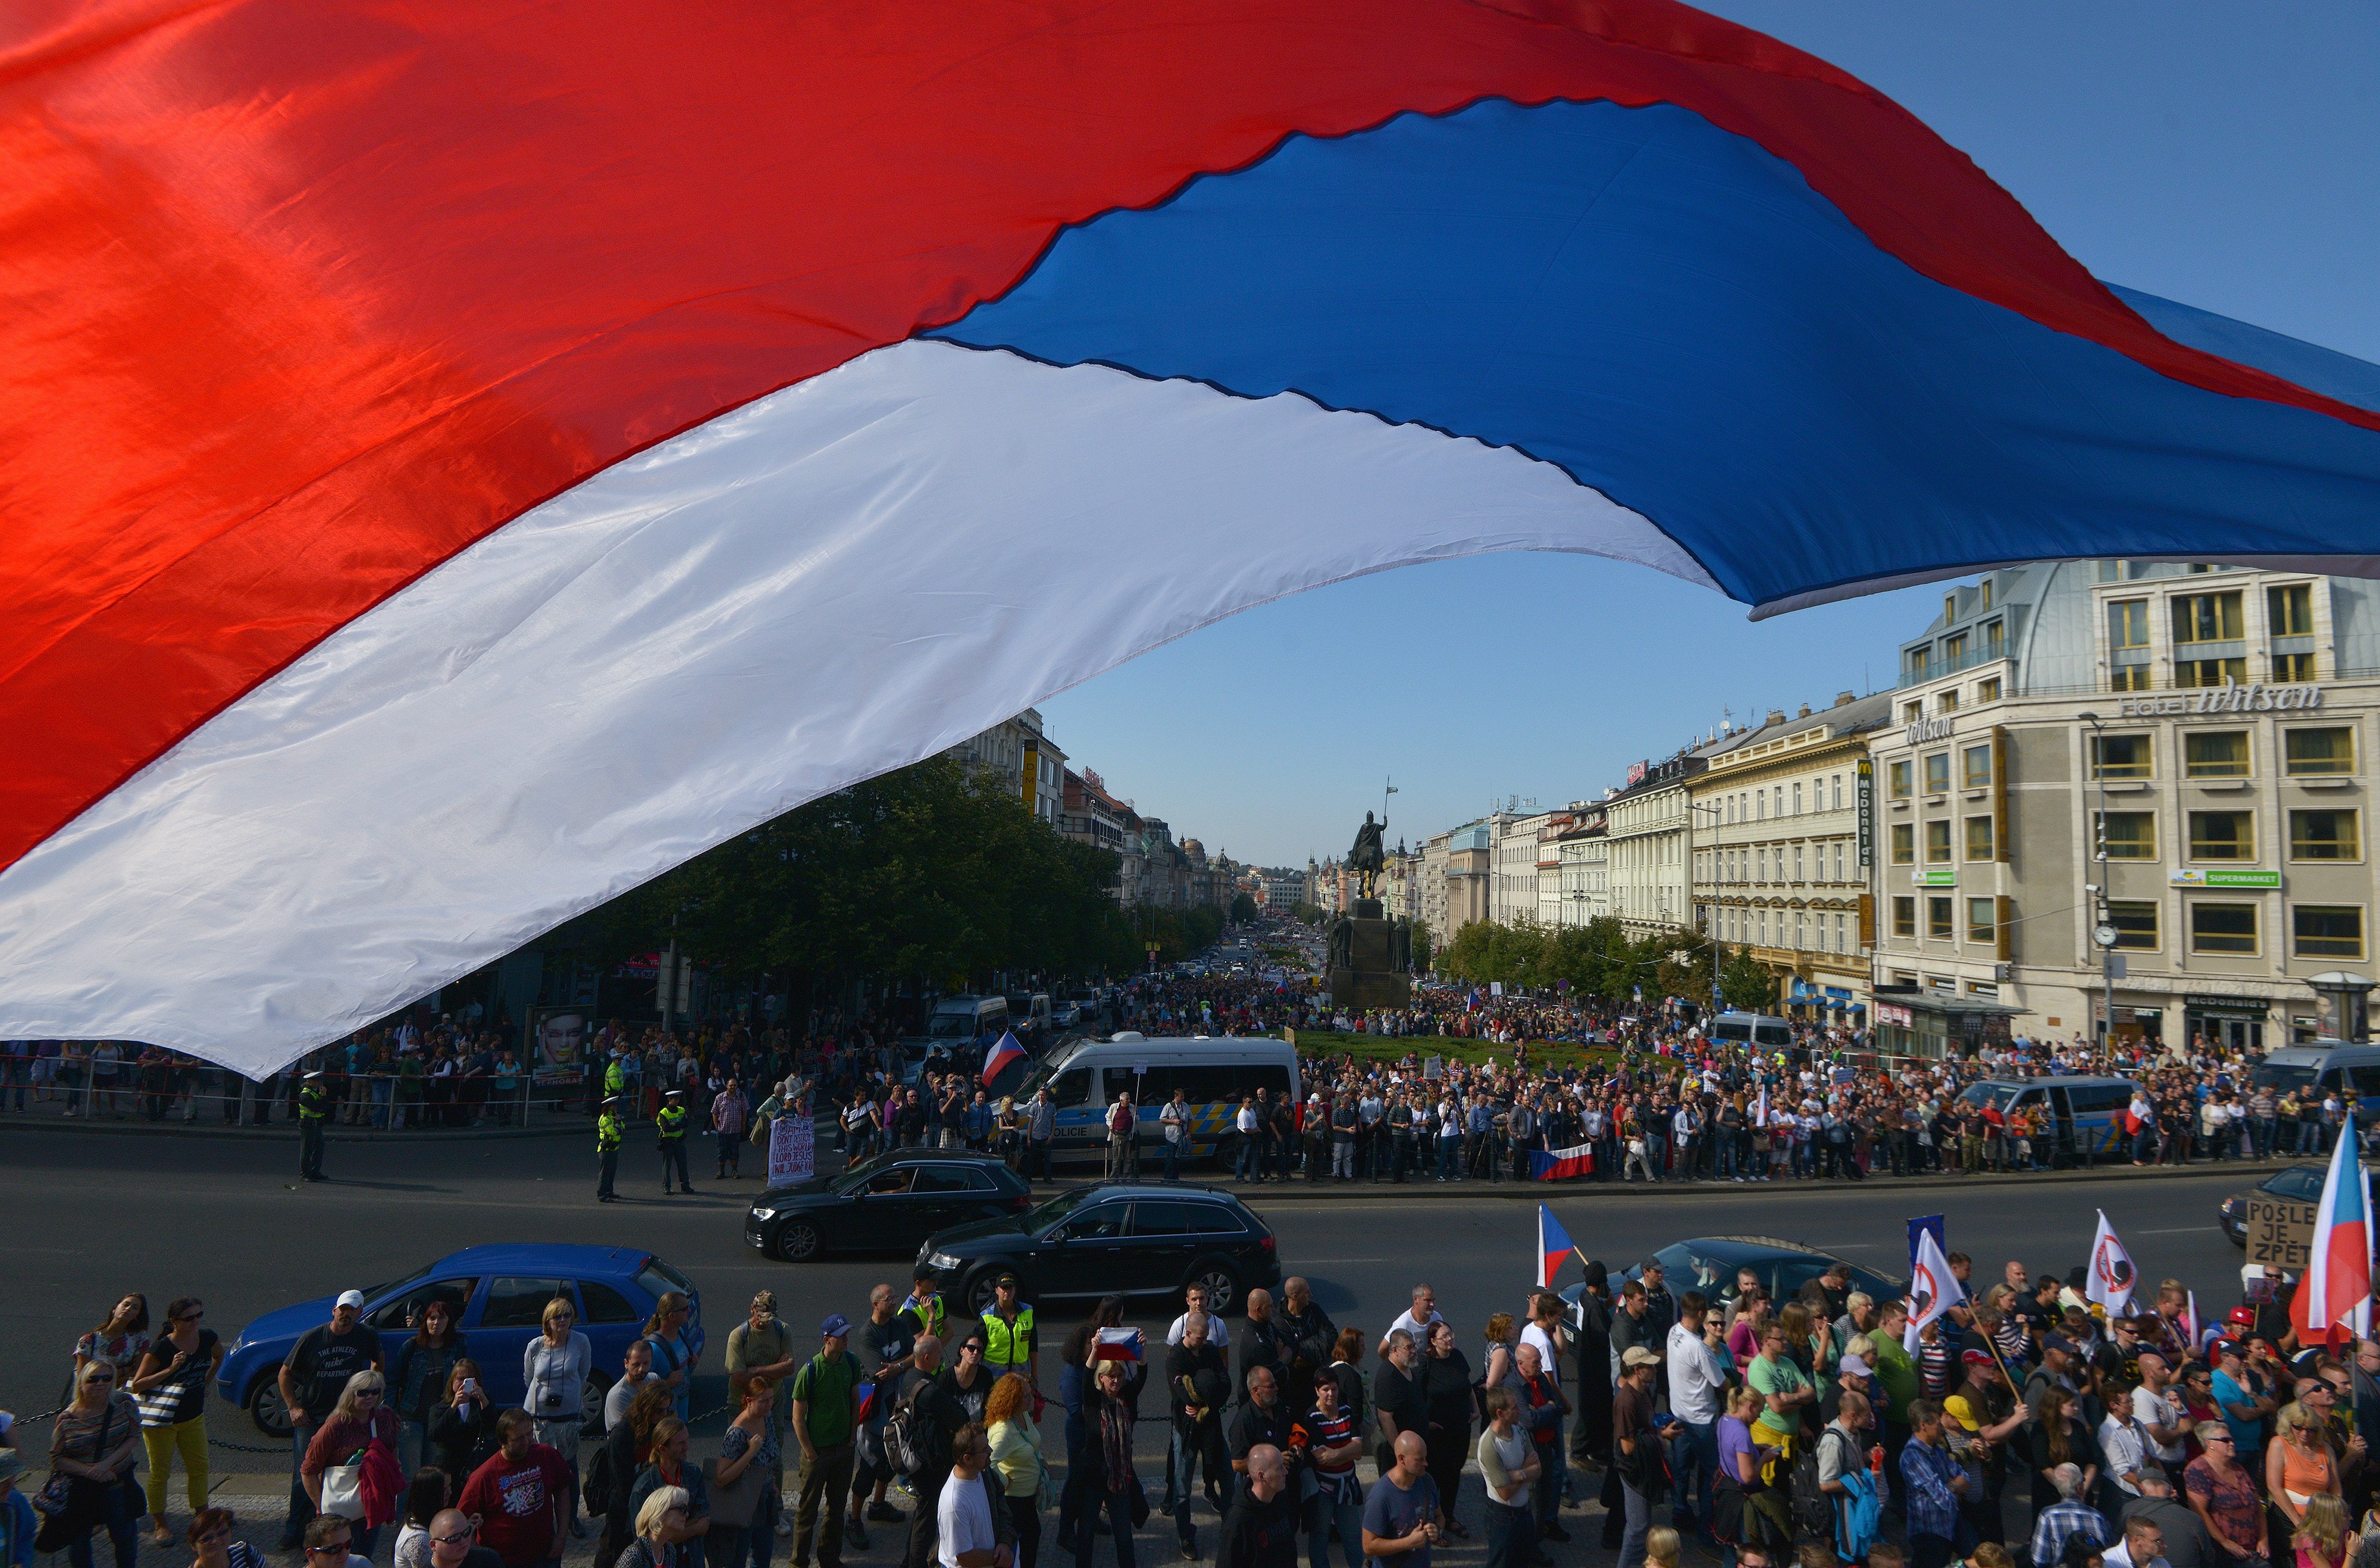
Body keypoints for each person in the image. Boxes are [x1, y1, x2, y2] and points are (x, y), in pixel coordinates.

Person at [278, 1292, 384, 1551]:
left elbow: (378, 1360)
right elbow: (285, 1373)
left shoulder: (366, 1335)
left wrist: (370, 1387)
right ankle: (295, 1529)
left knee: (345, 1471)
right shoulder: (313, 1338)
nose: (347, 1314)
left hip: (347, 1414)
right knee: (304, 1472)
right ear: (334, 1310)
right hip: (313, 1416)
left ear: (360, 1313)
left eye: (353, 1310)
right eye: (343, 1309)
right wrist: (293, 1407)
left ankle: (339, 1523)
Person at [128, 1295, 223, 1547]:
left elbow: (218, 1358)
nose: (196, 1321)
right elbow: (137, 1385)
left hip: (193, 1416)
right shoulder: (161, 1349)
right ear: (174, 1322)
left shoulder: (208, 1338)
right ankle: (160, 1522)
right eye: (189, 1318)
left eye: (199, 1315)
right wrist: (170, 1370)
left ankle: (202, 1517)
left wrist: (206, 1382)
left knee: (199, 1468)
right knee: (160, 1473)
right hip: (162, 1421)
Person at [49, 1357, 143, 1568]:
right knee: (79, 1544)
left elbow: (134, 1434)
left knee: (125, 1539)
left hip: (117, 1483)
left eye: (106, 1378)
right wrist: (90, 1471)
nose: (100, 1383)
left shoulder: (125, 1403)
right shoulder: (68, 1419)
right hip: (81, 1489)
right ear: (81, 1383)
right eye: (93, 1379)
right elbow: (57, 1458)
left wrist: (106, 1464)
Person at [302, 1371, 402, 1558]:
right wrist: (321, 1507)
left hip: (373, 1506)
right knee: (341, 1559)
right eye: (363, 1392)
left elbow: (392, 1447)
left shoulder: (384, 1416)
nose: (370, 1397)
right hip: (340, 1513)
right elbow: (308, 1471)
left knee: (364, 1557)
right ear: (351, 1394)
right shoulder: (334, 1427)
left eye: (375, 1392)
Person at [458, 1410, 577, 1568]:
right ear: (502, 1442)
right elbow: (461, 1521)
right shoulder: (483, 1476)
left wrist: (561, 1536)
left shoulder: (547, 1455)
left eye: (529, 1434)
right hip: (504, 1562)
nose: (527, 1441)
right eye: (518, 1439)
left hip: (545, 1556)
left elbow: (562, 1490)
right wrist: (481, 1557)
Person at [789, 1316, 862, 1568]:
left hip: (843, 1449)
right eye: (840, 1335)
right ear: (826, 1339)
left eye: (846, 1334)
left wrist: (852, 1437)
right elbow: (798, 1418)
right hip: (817, 1453)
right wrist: (809, 1452)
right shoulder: (809, 1371)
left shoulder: (850, 1362)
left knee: (836, 1509)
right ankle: (799, 1562)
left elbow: (856, 1401)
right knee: (807, 1512)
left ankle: (829, 1558)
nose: (845, 1339)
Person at [523, 1297, 593, 1539]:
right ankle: (539, 1519)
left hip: (568, 1416)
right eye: (558, 1316)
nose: (563, 1320)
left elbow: (583, 1373)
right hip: (539, 1417)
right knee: (539, 1469)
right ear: (547, 1321)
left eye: (567, 1315)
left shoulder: (581, 1342)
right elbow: (529, 1377)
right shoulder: (535, 1346)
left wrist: (569, 1395)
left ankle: (571, 1518)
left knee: (568, 1470)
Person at [901, 1336, 973, 1568]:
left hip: (919, 1458)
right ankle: (917, 1564)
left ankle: (909, 1561)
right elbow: (960, 1417)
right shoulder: (929, 1391)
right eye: (938, 1354)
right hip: (930, 1464)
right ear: (926, 1358)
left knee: (922, 1514)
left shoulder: (910, 1378)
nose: (942, 1357)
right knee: (926, 1520)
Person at [726, 1294, 797, 1525]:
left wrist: (755, 1369)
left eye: (769, 1317)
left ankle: (774, 1509)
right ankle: (740, 1505)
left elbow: (789, 1368)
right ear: (752, 1310)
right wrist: (773, 1368)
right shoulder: (739, 1336)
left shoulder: (782, 1330)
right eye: (761, 1316)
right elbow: (738, 1378)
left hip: (773, 1401)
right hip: (742, 1404)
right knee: (739, 1456)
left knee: (774, 1454)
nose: (765, 1322)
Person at [1165, 1314, 1229, 1560]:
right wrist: (1205, 1394)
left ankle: (1230, 1528)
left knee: (1228, 1478)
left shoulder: (1211, 1352)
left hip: (1211, 1426)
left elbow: (1224, 1384)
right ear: (1188, 1334)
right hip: (1187, 1430)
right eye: (1200, 1338)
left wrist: (1204, 1402)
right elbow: (1182, 1394)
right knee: (1182, 1487)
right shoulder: (1176, 1359)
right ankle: (1185, 1536)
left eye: (1206, 1338)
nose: (1204, 1342)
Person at [595, 1385, 677, 1568]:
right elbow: (623, 1482)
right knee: (616, 1552)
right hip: (625, 1506)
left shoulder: (658, 1428)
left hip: (651, 1502)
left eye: (667, 1410)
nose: (664, 1415)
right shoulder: (623, 1434)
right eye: (659, 1411)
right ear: (646, 1408)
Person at [389, 1297, 470, 1475]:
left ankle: (430, 1505)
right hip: (411, 1418)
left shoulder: (457, 1346)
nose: (436, 1323)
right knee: (409, 1474)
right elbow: (392, 1380)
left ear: (449, 1322)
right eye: (431, 1318)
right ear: (425, 1321)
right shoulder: (412, 1347)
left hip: (439, 1419)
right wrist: (391, 1409)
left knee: (432, 1473)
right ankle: (407, 1505)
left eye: (442, 1318)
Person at [1615, 1345, 1678, 1568]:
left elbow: (1645, 1430)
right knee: (1638, 1528)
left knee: (1640, 1526)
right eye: (1650, 1367)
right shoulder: (1626, 1401)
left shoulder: (1643, 1393)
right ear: (1637, 1369)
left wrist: (1662, 1431)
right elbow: (1628, 1448)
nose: (1655, 1370)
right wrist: (1661, 1439)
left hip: (1644, 1468)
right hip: (1633, 1472)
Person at [709, 1375, 782, 1568]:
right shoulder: (737, 1433)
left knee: (763, 1555)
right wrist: (750, 1453)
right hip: (745, 1501)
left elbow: (769, 1458)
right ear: (749, 1401)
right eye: (763, 1401)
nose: (769, 1405)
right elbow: (721, 1477)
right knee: (738, 1558)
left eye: (771, 1399)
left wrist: (772, 1481)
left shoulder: (766, 1418)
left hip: (765, 1497)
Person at [1075, 1358, 1140, 1568]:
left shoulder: (1126, 1399)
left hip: (1119, 1479)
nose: (1116, 1381)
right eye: (1111, 1376)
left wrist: (1143, 1355)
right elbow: (1086, 1377)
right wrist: (1094, 1351)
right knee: (1086, 1535)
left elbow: (1142, 1378)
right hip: (1093, 1480)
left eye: (1120, 1376)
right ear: (1101, 1378)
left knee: (1124, 1537)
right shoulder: (1093, 1400)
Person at [987, 1375, 1052, 1568]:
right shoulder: (1004, 1431)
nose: (1031, 1398)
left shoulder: (1022, 1415)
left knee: (1031, 1537)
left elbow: (1030, 1441)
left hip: (1027, 1497)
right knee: (1022, 1543)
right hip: (1014, 1500)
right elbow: (989, 1462)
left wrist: (1040, 1459)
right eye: (1025, 1396)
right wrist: (1005, 1482)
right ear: (1012, 1400)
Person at [2182, 1420, 2266, 1568]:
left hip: (2253, 1550)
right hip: (2225, 1554)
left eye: (2232, 1439)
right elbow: (2199, 1511)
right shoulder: (2198, 1470)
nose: (2232, 1443)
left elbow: (2257, 1506)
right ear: (2210, 1443)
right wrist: (2225, 1542)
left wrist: (2263, 1539)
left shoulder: (2239, 1469)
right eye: (2225, 1440)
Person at [1899, 1399, 1969, 1568]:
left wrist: (1952, 1486)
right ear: (1924, 1425)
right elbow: (1944, 1499)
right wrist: (1954, 1486)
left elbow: (1965, 1477)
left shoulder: (1936, 1450)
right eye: (1938, 1424)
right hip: (1928, 1535)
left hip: (1948, 1529)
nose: (1942, 1429)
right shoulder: (1913, 1457)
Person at [1417, 1325, 1473, 1536]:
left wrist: (1474, 1409)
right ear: (1433, 1341)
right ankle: (1431, 1522)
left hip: (1459, 1431)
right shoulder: (1426, 1364)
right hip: (1437, 1435)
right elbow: (1417, 1397)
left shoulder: (1457, 1357)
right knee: (1434, 1478)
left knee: (1453, 1475)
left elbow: (1466, 1387)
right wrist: (1426, 1422)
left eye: (1451, 1334)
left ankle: (1448, 1517)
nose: (1449, 1339)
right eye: (1444, 1336)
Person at [1476, 1391, 1540, 1568]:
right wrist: (1524, 1471)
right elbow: (1504, 1493)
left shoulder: (1520, 1430)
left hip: (1524, 1513)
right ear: (1500, 1413)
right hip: (1503, 1518)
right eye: (1514, 1408)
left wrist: (1515, 1474)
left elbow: (1538, 1469)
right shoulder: (1490, 1446)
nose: (1520, 1411)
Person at [1361, 1432, 1440, 1568]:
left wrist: (1437, 1530)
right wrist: (1409, 1542)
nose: (1426, 1463)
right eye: (1419, 1460)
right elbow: (1369, 1546)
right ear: (1402, 1459)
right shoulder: (1380, 1496)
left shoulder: (1427, 1482)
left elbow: (1439, 1516)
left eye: (1425, 1458)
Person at [1215, 1445, 1298, 1568]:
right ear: (1261, 1476)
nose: (1285, 1472)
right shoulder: (1238, 1521)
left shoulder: (1281, 1500)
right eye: (1279, 1468)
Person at [935, 1425, 1007, 1568]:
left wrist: (1005, 1542)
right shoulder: (954, 1504)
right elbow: (966, 1558)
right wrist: (1000, 1557)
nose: (991, 1451)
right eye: (985, 1450)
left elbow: (1001, 1506)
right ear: (968, 1459)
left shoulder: (983, 1474)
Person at [2272, 1404, 2344, 1534]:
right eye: (2298, 1427)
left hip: (2321, 1520)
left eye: (2311, 1430)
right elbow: (2275, 1488)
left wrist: (2330, 1519)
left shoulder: (2326, 1450)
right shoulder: (2279, 1444)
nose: (2304, 1433)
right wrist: (2299, 1524)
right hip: (2288, 1520)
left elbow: (2336, 1490)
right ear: (2288, 1425)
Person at [2118, 1473, 2210, 1568]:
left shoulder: (2128, 1510)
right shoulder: (2192, 1517)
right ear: (2171, 1489)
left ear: (2142, 1488)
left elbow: (2120, 1544)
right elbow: (2208, 1559)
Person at [429, 1362, 498, 1487]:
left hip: (474, 1465)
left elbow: (493, 1429)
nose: (463, 1384)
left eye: (469, 1380)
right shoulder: (439, 1407)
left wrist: (483, 1401)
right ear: (452, 1381)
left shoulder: (483, 1403)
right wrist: (453, 1406)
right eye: (460, 1379)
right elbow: (434, 1434)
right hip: (449, 1467)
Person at [2031, 1463, 2111, 1568]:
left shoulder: (2048, 1515)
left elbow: (2039, 1559)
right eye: (2084, 1480)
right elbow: (2109, 1554)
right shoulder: (2099, 1517)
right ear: (2079, 1488)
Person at [647, 1293, 700, 1423]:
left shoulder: (680, 1333)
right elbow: (642, 1388)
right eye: (684, 1309)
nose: (689, 1311)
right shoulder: (653, 1348)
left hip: (682, 1408)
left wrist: (692, 1359)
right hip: (666, 1419)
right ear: (672, 1316)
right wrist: (667, 1383)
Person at [982, 1277, 1039, 1394]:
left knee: (1021, 1410)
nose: (1007, 1291)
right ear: (997, 1290)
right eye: (1004, 1288)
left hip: (1021, 1374)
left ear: (1015, 1290)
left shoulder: (1028, 1312)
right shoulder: (986, 1316)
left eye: (1010, 1288)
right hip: (994, 1376)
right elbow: (978, 1347)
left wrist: (1034, 1375)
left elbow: (1033, 1347)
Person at [394, 1467, 452, 1568]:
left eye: (450, 1486)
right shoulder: (419, 1539)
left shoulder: (426, 1520)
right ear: (429, 1494)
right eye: (444, 1490)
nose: (450, 1492)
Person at [618, 1490, 693, 1568]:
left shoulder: (670, 1551)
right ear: (662, 1512)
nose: (687, 1514)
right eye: (682, 1509)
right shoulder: (635, 1555)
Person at [185, 1506, 271, 1568]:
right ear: (193, 1546)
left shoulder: (246, 1553)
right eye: (207, 1538)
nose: (216, 1541)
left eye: (222, 1532)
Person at [607, 1341, 661, 1433]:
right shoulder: (619, 1396)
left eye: (646, 1363)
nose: (641, 1369)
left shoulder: (654, 1379)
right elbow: (626, 1432)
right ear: (626, 1363)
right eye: (636, 1365)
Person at [2296, 1492, 2351, 1568]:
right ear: (2330, 1519)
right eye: (2345, 1516)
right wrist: (2351, 1553)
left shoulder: (2344, 1535)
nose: (2351, 1518)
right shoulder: (2310, 1541)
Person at [299, 1068, 331, 1181]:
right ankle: (305, 1174)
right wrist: (324, 1096)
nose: (319, 1083)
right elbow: (318, 1108)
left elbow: (324, 1108)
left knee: (319, 1149)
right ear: (310, 1081)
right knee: (307, 1151)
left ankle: (315, 1172)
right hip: (308, 1125)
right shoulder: (305, 1095)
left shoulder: (315, 1092)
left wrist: (323, 1097)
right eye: (317, 1081)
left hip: (316, 1125)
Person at [658, 1089, 692, 1194]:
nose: (677, 1101)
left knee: (683, 1165)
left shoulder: (681, 1110)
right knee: (667, 1166)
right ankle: (666, 1187)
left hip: (679, 1142)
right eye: (675, 1099)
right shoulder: (664, 1113)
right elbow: (666, 1127)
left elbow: (687, 1123)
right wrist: (679, 1125)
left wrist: (675, 1125)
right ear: (669, 1100)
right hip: (668, 1143)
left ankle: (685, 1186)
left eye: (678, 1099)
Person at [597, 1096, 625, 1201]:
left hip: (614, 1148)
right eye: (614, 1105)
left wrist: (619, 1125)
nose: (616, 1107)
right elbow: (613, 1132)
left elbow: (623, 1127)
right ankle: (602, 1195)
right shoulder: (605, 1119)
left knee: (611, 1172)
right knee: (604, 1173)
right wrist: (618, 1123)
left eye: (616, 1105)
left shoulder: (615, 1116)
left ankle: (609, 1191)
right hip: (607, 1149)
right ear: (608, 1107)